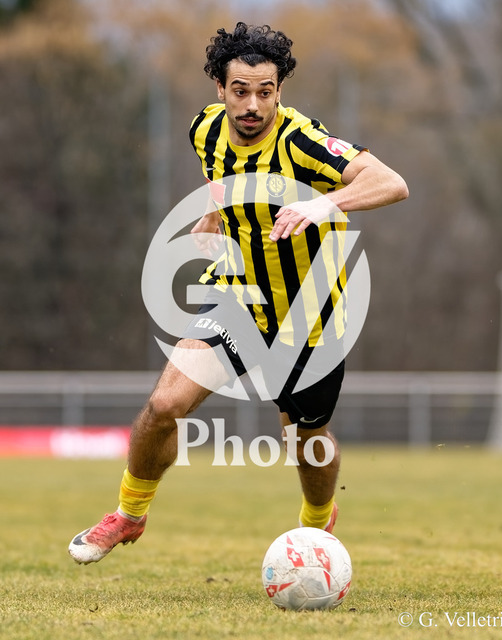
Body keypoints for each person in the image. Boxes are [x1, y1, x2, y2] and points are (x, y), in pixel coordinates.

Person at [68, 22, 408, 565]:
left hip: (310, 317)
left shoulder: (301, 141)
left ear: (280, 91)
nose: (253, 104)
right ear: (220, 89)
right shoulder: (204, 128)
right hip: (237, 297)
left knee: (306, 441)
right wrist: (212, 212)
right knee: (164, 405)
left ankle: (316, 527)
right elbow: (224, 175)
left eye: (265, 92)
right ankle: (129, 514)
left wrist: (324, 203)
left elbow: (392, 182)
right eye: (241, 91)